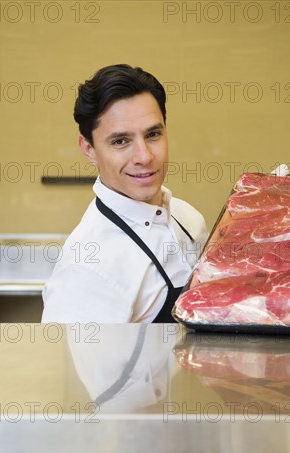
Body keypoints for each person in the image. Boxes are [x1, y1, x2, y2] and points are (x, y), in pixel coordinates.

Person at [42, 64, 208, 323]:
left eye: (153, 134)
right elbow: (77, 364)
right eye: (120, 141)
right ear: (89, 149)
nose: (144, 156)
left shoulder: (188, 218)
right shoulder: (87, 267)